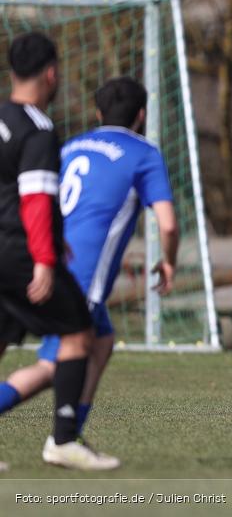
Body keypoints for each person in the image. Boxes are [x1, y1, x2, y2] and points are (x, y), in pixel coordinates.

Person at [0, 76, 178, 444]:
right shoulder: (143, 153)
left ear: (98, 112)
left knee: (103, 340)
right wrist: (168, 260)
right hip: (82, 272)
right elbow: (169, 225)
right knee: (54, 365)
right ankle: (63, 441)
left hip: (40, 256)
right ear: (141, 115)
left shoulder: (71, 145)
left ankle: (71, 435)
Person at [0, 32, 118, 469]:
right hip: (19, 251)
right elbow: (33, 200)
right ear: (51, 74)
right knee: (78, 334)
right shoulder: (39, 129)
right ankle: (64, 439)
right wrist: (46, 260)